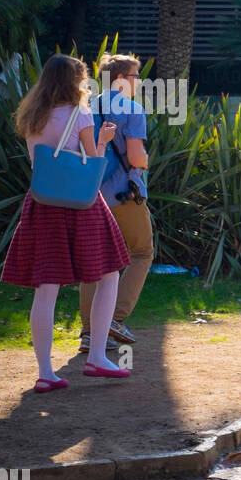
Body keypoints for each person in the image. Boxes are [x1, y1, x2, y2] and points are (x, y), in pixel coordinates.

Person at [2, 54, 132, 391]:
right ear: (73, 81)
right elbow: (93, 161)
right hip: (79, 204)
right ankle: (97, 356)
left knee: (46, 289)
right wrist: (103, 140)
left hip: (43, 202)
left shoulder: (33, 115)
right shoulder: (80, 113)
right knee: (109, 274)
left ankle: (45, 373)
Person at [79, 54, 153, 353]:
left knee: (93, 263)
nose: (139, 82)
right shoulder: (132, 110)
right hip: (123, 194)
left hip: (89, 194)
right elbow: (135, 158)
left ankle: (89, 332)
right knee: (142, 252)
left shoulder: (84, 107)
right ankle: (114, 319)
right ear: (121, 78)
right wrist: (146, 162)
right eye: (136, 76)